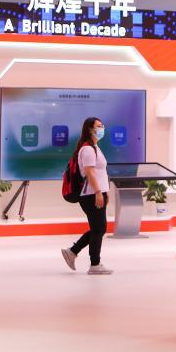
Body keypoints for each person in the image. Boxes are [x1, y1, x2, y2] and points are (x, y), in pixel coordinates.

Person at [61, 117, 112, 275]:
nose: (102, 128)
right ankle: (94, 264)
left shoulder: (94, 147)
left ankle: (72, 252)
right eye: (98, 126)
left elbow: (100, 172)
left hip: (96, 192)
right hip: (90, 194)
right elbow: (89, 173)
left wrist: (105, 191)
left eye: (102, 125)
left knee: (98, 228)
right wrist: (98, 192)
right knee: (99, 228)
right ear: (90, 129)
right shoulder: (88, 149)